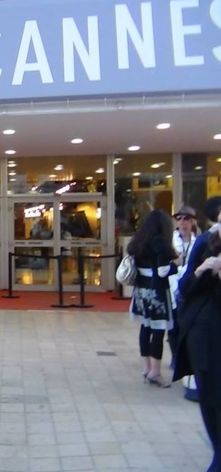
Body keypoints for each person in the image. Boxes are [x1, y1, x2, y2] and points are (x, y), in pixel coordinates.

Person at [174, 196, 221, 471]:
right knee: (210, 394)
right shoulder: (207, 243)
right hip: (204, 331)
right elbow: (186, 287)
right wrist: (204, 269)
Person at [128, 209, 179, 388]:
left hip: (141, 291)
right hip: (157, 291)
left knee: (145, 327)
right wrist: (177, 266)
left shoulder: (139, 241)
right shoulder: (161, 242)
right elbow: (163, 271)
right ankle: (156, 371)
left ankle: (147, 366)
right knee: (158, 330)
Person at [167, 205, 197, 385]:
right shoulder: (170, 240)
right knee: (174, 326)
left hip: (191, 286)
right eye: (179, 219)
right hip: (173, 286)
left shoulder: (199, 240)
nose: (182, 222)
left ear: (193, 221)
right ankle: (176, 355)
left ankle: (186, 356)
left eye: (186, 219)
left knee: (187, 324)